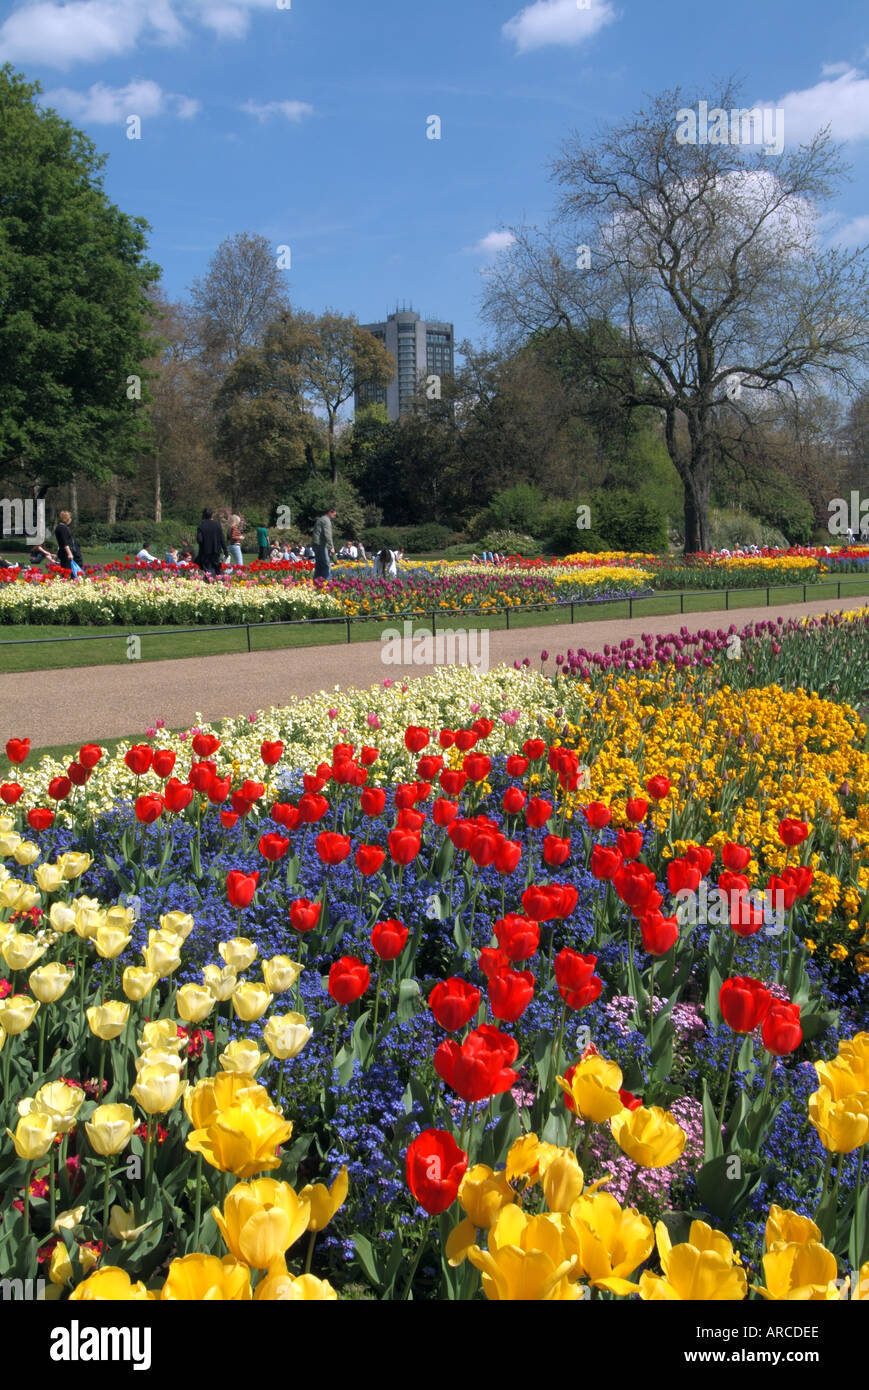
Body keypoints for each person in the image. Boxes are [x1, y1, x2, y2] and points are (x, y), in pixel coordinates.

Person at [196, 508, 228, 579]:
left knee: (208, 569)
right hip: (216, 550)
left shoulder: (201, 526)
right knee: (217, 568)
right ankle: (221, 582)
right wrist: (225, 551)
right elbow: (222, 539)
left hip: (205, 551)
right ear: (212, 515)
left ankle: (209, 583)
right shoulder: (217, 525)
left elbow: (199, 540)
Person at [55, 510, 84, 576]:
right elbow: (65, 542)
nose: (71, 519)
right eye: (70, 518)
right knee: (67, 570)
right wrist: (69, 553)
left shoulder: (59, 527)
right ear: (67, 518)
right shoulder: (63, 528)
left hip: (63, 551)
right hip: (66, 552)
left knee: (66, 570)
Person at [312, 507, 337, 581]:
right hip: (321, 545)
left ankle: (316, 581)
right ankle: (328, 582)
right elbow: (327, 534)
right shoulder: (326, 520)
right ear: (330, 512)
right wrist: (331, 546)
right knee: (326, 564)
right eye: (334, 515)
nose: (334, 516)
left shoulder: (321, 519)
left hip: (316, 544)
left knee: (319, 565)